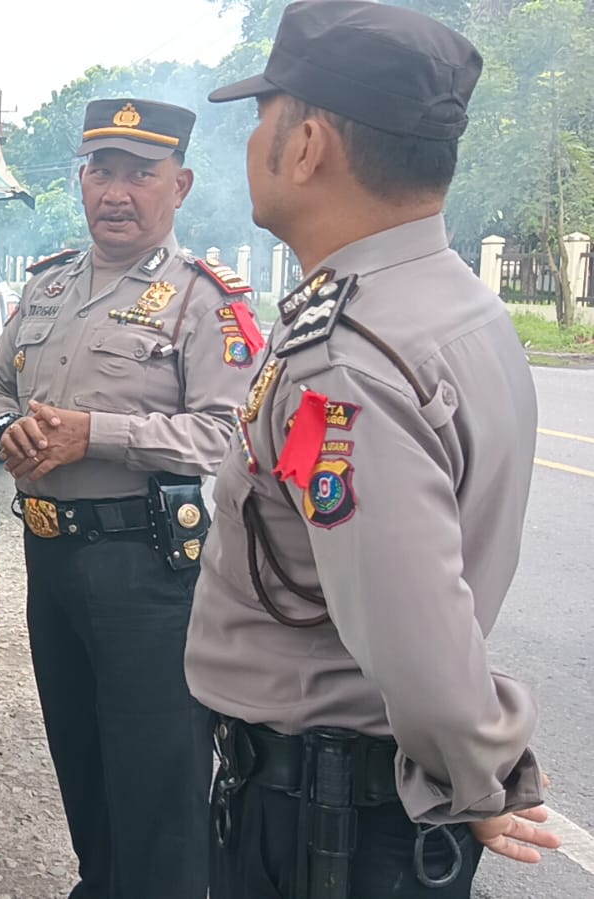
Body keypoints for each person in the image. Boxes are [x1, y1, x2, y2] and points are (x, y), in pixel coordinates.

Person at [188, 2, 562, 896]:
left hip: (331, 823)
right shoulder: (450, 304)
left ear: (307, 143)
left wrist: (471, 772)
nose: (250, 145)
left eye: (261, 119)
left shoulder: (347, 356)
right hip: (345, 808)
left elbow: (416, 630)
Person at [0, 98, 257, 899]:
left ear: (181, 184)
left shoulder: (205, 299)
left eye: (141, 173)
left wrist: (93, 434)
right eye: (103, 170)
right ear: (82, 179)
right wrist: (6, 430)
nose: (117, 191)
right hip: (51, 555)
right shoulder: (48, 285)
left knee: (157, 775)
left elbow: (228, 434)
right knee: (82, 756)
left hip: (146, 569)